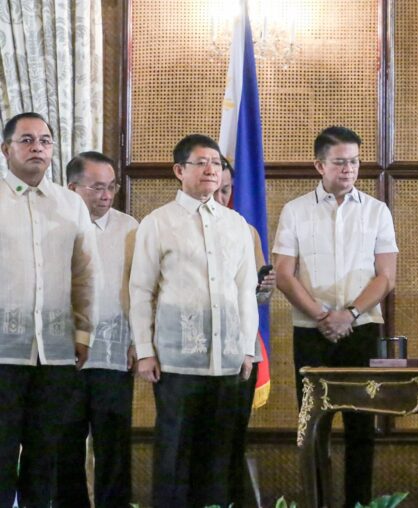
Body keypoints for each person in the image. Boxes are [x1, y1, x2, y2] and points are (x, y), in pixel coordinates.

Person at [273, 126, 398, 508]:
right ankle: (318, 502)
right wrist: (323, 315)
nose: (349, 169)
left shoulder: (377, 211)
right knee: (314, 427)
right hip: (311, 331)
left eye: (354, 162)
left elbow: (386, 276)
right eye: (340, 162)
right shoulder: (295, 211)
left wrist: (350, 313)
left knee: (363, 427)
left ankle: (358, 503)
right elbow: (283, 274)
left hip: (362, 329)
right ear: (319, 165)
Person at [130, 134, 257, 508]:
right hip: (175, 362)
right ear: (179, 170)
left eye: (216, 163)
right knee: (175, 453)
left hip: (229, 362)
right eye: (201, 162)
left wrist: (248, 350)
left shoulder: (236, 224)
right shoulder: (157, 223)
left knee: (219, 456)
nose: (210, 170)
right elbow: (140, 291)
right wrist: (144, 351)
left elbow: (246, 291)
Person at [0, 112, 98, 506]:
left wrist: (82, 332)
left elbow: (85, 274)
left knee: (45, 456)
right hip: (3, 352)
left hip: (54, 352)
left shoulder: (70, 204)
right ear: (6, 149)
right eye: (26, 140)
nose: (37, 147)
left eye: (45, 140)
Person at [55, 151, 138, 507]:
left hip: (114, 354)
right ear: (72, 187)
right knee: (64, 444)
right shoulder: (54, 223)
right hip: (64, 353)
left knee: (114, 446)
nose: (106, 196)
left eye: (111, 187)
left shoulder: (131, 228)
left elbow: (142, 288)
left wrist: (139, 341)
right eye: (97, 188)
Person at [214, 159, 276, 507]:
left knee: (232, 437)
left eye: (227, 190)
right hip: (194, 353)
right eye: (217, 188)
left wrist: (266, 286)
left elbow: (259, 299)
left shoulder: (244, 229)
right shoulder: (171, 226)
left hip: (240, 349)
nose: (222, 197)